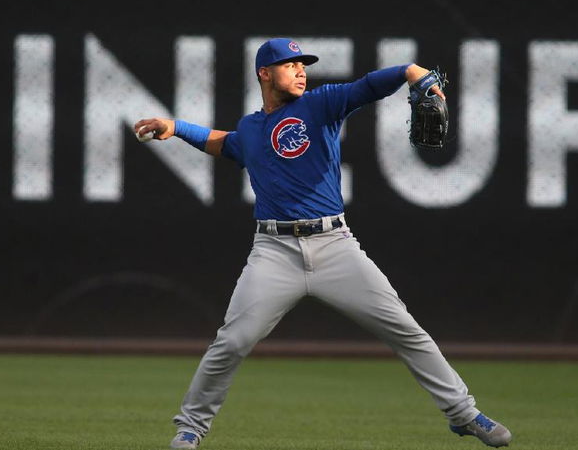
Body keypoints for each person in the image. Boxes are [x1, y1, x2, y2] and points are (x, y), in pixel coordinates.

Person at [133, 38, 512, 449]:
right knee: (233, 340)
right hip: (273, 252)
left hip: (335, 245)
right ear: (264, 73)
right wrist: (176, 129)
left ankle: (463, 414)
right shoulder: (252, 128)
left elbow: (366, 86)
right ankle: (190, 428)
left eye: (303, 65)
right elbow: (223, 142)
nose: (300, 71)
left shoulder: (320, 105)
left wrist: (410, 72)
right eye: (289, 64)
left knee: (405, 329)